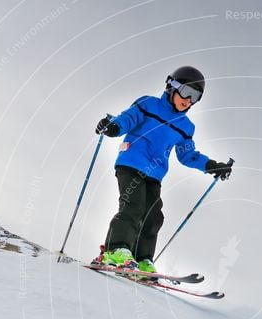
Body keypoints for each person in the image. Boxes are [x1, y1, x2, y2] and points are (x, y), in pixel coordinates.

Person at [92, 65, 233, 273]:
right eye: (186, 92)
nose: (188, 100)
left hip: (155, 175)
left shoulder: (185, 127)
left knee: (154, 215)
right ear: (172, 87)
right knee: (134, 206)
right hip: (131, 163)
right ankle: (116, 249)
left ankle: (141, 260)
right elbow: (127, 119)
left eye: (195, 97)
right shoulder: (149, 104)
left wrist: (212, 166)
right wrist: (113, 126)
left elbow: (187, 155)